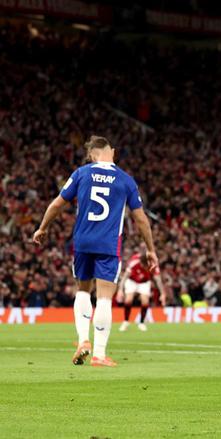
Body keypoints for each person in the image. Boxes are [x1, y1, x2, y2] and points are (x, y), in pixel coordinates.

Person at [33, 135, 158, 367]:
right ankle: (99, 354)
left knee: (82, 291)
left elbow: (57, 203)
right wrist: (150, 249)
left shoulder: (81, 173)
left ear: (91, 155)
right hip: (108, 245)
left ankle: (83, 340)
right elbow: (140, 219)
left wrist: (42, 228)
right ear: (113, 152)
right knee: (104, 297)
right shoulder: (125, 180)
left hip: (82, 242)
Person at [117, 246, 167, 332]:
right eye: (143, 265)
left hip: (144, 282)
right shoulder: (134, 262)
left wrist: (162, 293)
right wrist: (120, 290)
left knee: (145, 301)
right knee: (128, 300)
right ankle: (126, 322)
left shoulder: (154, 264)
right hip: (132, 280)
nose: (144, 268)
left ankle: (141, 323)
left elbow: (158, 280)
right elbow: (124, 277)